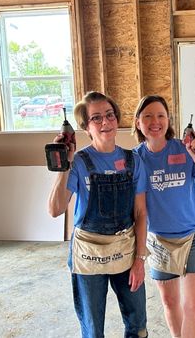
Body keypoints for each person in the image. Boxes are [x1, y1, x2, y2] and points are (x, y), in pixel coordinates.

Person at [48, 91, 149, 338]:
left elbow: (140, 212)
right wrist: (64, 165)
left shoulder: (133, 161)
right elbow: (55, 209)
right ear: (86, 127)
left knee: (138, 325)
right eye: (96, 118)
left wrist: (139, 260)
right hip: (88, 253)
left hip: (125, 249)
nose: (105, 122)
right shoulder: (79, 162)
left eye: (109, 115)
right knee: (93, 330)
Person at [132, 95, 195, 338]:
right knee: (170, 303)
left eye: (161, 115)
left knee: (192, 305)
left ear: (168, 120)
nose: (155, 121)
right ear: (137, 123)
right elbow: (137, 210)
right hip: (159, 239)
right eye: (148, 116)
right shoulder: (135, 159)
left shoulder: (184, 151)